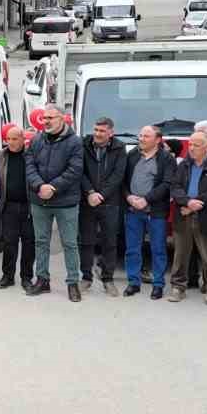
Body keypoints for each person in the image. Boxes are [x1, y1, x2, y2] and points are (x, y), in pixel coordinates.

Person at [27, 106, 85, 300]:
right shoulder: (36, 140)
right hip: (39, 200)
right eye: (44, 118)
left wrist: (52, 187)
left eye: (51, 118)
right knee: (41, 242)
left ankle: (73, 283)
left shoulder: (75, 142)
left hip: (65, 202)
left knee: (69, 243)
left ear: (62, 119)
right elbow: (29, 165)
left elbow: (75, 170)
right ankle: (42, 280)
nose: (46, 121)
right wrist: (39, 186)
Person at [169, 130, 207, 304]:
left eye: (196, 145)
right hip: (184, 215)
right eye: (191, 144)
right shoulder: (184, 165)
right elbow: (175, 186)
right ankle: (178, 286)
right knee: (180, 254)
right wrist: (187, 202)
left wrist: (194, 205)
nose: (191, 148)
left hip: (206, 218)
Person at [121, 125, 176, 299]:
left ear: (157, 140)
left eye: (146, 136)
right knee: (132, 248)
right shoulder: (132, 155)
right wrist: (129, 197)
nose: (141, 139)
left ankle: (158, 284)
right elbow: (122, 181)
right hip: (132, 210)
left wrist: (146, 199)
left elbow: (167, 184)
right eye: (140, 135)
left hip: (155, 211)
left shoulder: (166, 158)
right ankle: (133, 282)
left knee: (158, 248)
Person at [78, 116, 126, 296]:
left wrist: (102, 195)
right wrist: (90, 192)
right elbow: (79, 170)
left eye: (102, 131)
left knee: (110, 242)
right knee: (86, 241)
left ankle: (108, 279)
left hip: (110, 202)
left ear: (111, 133)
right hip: (87, 200)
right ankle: (86, 277)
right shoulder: (84, 145)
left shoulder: (119, 148)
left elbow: (118, 175)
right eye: (96, 130)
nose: (97, 134)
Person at [0, 124, 36, 291]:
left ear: (23, 140)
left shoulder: (31, 156)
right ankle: (8, 276)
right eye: (8, 139)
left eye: (15, 139)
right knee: (9, 243)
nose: (11, 142)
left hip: (29, 207)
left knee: (29, 243)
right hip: (8, 206)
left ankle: (26, 277)